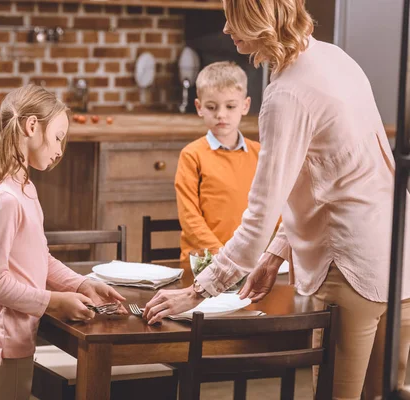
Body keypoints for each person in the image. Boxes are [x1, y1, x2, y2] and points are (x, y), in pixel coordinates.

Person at [143, 1, 410, 398]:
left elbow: (258, 217)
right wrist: (274, 255)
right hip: (400, 258)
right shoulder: (335, 58)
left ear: (257, 17)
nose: (225, 27)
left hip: (351, 268)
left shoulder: (286, 95)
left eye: (233, 14)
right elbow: (330, 176)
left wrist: (195, 292)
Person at [0, 85, 126, 400]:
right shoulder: (7, 198)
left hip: (5, 334)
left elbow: (38, 258)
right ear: (32, 126)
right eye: (59, 137)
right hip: (1, 337)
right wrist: (54, 301)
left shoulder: (24, 188)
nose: (61, 149)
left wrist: (81, 284)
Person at [175, 61, 260, 262]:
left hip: (251, 261)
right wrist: (220, 254)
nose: (221, 114)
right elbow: (190, 217)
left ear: (245, 106)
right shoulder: (191, 155)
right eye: (212, 107)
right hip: (204, 262)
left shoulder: (260, 154)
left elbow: (274, 211)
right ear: (199, 107)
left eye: (230, 106)